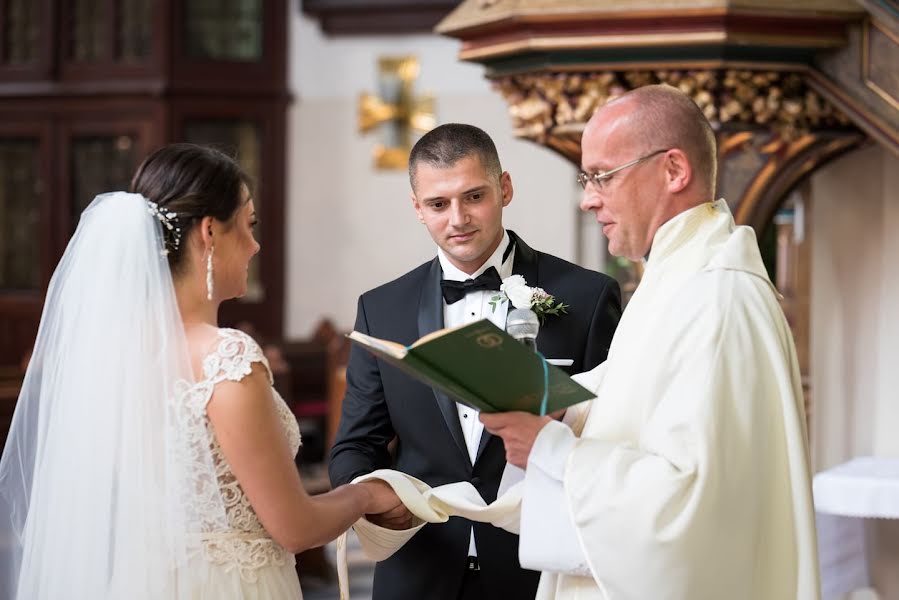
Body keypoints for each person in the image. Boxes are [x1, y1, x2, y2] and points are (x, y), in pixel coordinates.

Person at [0, 143, 398, 600]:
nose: (255, 245)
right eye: (248, 225)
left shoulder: (112, 356)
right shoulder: (226, 358)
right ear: (209, 231)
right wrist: (368, 494)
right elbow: (295, 528)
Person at [480, 84, 820, 599]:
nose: (587, 197)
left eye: (602, 176)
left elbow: (688, 504)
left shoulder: (717, 297)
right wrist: (565, 412)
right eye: (585, 177)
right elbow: (637, 405)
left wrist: (552, 450)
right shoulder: (676, 280)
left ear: (674, 170)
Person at [329, 124, 621, 600]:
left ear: (504, 188)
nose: (458, 218)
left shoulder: (587, 297)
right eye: (438, 204)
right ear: (417, 208)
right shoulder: (381, 309)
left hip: (540, 569)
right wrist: (372, 497)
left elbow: (613, 432)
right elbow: (354, 446)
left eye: (474, 196)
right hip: (419, 569)